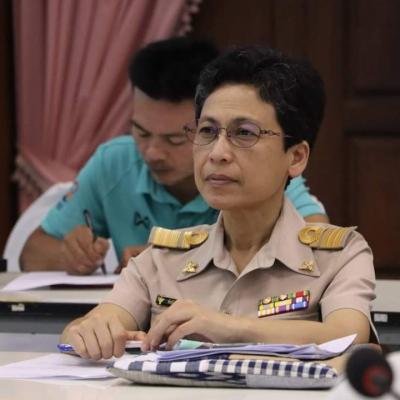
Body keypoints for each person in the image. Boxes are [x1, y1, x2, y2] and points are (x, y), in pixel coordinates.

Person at [60, 45, 376, 360]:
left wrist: (229, 328)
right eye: (208, 131)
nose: (217, 153)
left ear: (295, 157)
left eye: (245, 133)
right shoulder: (161, 259)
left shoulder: (339, 256)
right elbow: (92, 325)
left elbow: (347, 335)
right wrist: (89, 331)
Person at [20, 37, 328, 275]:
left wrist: (171, 258)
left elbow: (319, 248)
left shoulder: (252, 170)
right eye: (141, 133)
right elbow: (32, 253)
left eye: (175, 138)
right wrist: (71, 256)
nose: (153, 152)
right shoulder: (114, 162)